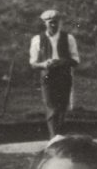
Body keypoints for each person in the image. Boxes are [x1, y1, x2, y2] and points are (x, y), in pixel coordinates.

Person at [29, 10, 80, 138]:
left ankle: (60, 138)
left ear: (60, 23)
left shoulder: (68, 38)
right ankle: (54, 139)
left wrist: (62, 61)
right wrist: (44, 64)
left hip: (64, 76)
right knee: (51, 108)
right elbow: (33, 63)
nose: (54, 25)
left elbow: (75, 60)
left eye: (56, 23)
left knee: (62, 108)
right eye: (51, 23)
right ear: (45, 23)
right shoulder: (37, 39)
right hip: (47, 76)